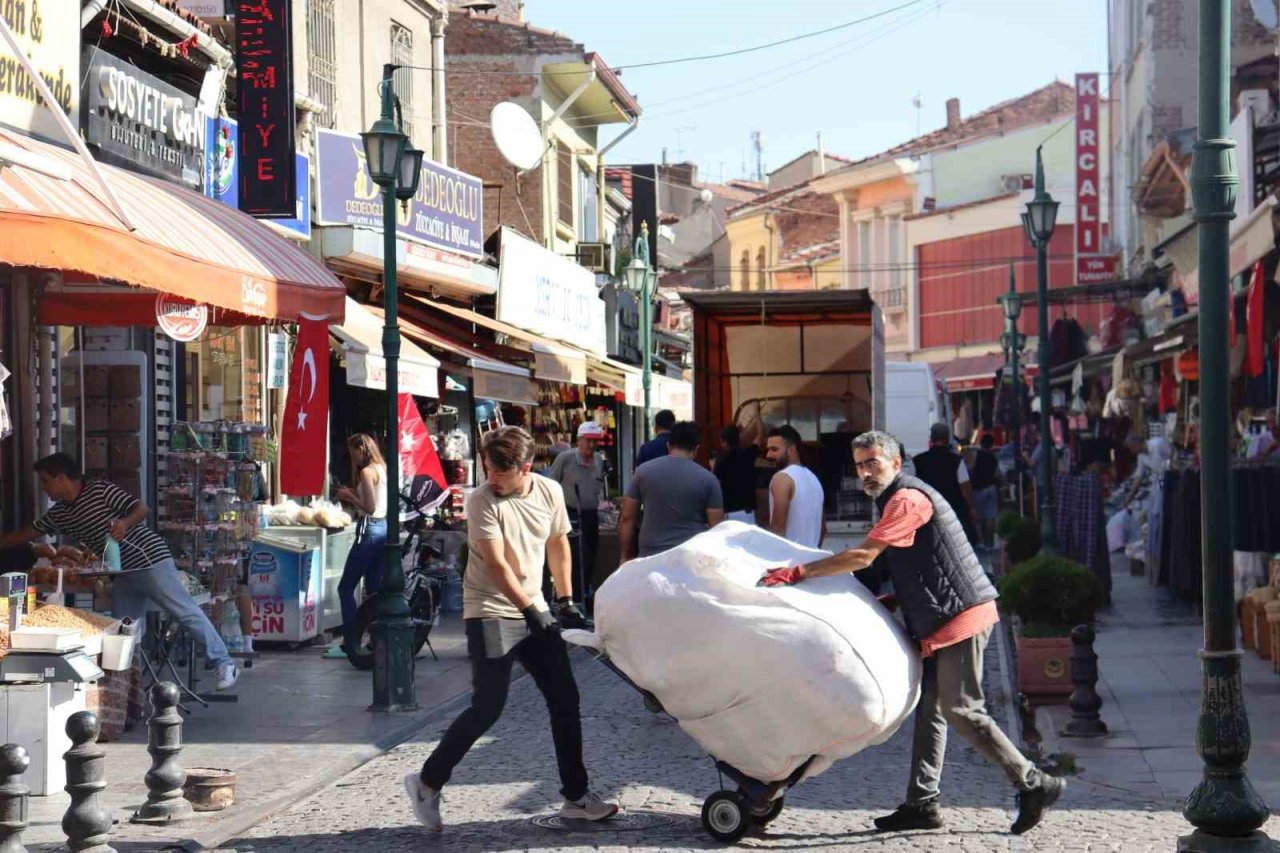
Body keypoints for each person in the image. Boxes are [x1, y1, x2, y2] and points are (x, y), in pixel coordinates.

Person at [759, 431, 1064, 836]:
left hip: (960, 617)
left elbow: (865, 555)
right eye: (860, 465)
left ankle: (1033, 782)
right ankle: (922, 803)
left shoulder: (906, 499)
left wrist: (800, 572)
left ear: (896, 463)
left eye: (874, 463)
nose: (866, 472)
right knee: (931, 713)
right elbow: (920, 562)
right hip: (940, 617)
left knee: (962, 709)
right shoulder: (893, 499)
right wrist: (893, 598)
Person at [404, 427, 615, 832]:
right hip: (490, 610)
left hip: (533, 605)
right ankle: (427, 782)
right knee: (488, 707)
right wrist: (531, 610)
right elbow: (496, 564)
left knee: (565, 698)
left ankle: (576, 797)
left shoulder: (549, 492)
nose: (492, 478)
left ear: (525, 467)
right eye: (488, 469)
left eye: (500, 472)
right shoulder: (481, 499)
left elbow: (558, 544)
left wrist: (567, 599)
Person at [0, 453, 239, 689]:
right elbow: (28, 533)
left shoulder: (100, 490)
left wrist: (124, 524)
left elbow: (141, 509)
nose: (43, 487)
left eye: (45, 480)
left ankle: (224, 663)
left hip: (149, 560)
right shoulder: (60, 513)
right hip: (122, 573)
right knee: (123, 631)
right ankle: (127, 692)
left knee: (182, 610)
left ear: (61, 478)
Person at [619, 421, 725, 560]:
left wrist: (624, 556)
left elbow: (627, 518)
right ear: (696, 449)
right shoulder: (709, 479)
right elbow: (716, 528)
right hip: (691, 556)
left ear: (668, 445)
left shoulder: (642, 472)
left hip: (650, 554)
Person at [332, 433, 389, 660]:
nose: (351, 457)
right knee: (374, 588)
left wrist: (349, 496)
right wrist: (355, 493)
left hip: (368, 529)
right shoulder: (381, 468)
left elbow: (370, 507)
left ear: (361, 449)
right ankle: (375, 638)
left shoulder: (366, 471)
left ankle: (351, 639)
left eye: (352, 452)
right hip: (382, 529)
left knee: (346, 588)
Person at [548, 422, 608, 603]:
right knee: (573, 556)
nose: (591, 445)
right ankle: (569, 597)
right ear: (579, 440)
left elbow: (600, 486)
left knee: (590, 555)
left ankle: (585, 592)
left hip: (590, 514)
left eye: (594, 441)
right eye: (588, 441)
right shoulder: (565, 459)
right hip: (569, 513)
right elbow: (551, 485)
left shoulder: (599, 460)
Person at [913, 423, 980, 545]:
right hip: (953, 511)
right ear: (948, 438)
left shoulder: (918, 461)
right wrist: (972, 508)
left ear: (931, 438)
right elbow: (965, 487)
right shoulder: (956, 461)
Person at [764, 425, 825, 548]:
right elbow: (823, 529)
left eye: (774, 449)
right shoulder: (814, 479)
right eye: (768, 449)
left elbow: (777, 530)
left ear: (791, 450)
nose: (768, 455)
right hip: (812, 559)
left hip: (789, 562)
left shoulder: (782, 478)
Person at [713, 424, 759, 524]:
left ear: (724, 441)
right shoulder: (749, 454)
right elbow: (759, 436)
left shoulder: (721, 460)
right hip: (748, 512)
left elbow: (715, 483)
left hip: (730, 512)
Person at [969, 433, 1001, 549]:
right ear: (992, 444)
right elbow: (997, 472)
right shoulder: (993, 457)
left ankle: (983, 541)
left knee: (981, 516)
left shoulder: (976, 455)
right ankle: (991, 542)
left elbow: (971, 470)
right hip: (991, 487)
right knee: (991, 516)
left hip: (979, 488)